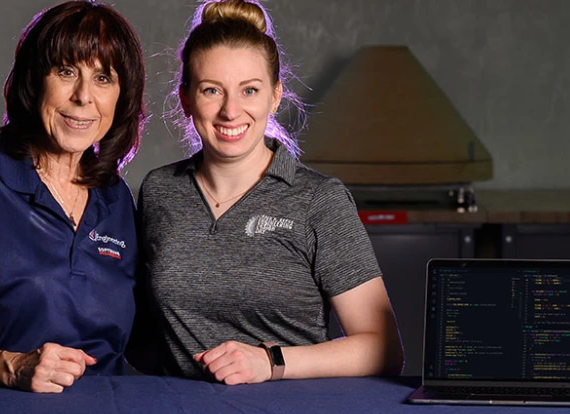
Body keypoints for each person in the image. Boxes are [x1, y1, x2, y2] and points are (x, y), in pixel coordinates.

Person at [131, 0, 404, 384]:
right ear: (186, 98)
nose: (230, 111)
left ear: (275, 96)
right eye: (212, 90)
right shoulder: (160, 191)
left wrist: (270, 363)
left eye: (249, 90)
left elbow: (385, 349)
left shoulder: (318, 200)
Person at [0, 0, 145, 392]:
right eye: (66, 71)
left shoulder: (115, 197)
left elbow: (143, 342)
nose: (83, 96)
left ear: (122, 97)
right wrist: (13, 367)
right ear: (35, 80)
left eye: (104, 78)